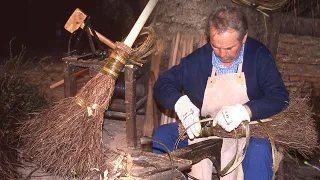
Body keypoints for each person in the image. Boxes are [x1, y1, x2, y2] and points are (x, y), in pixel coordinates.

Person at [152, 6, 289, 180]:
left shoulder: (258, 57)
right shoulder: (198, 61)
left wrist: (245, 111)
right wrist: (181, 104)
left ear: (244, 37)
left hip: (249, 131)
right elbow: (162, 85)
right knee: (162, 136)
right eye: (216, 47)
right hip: (208, 129)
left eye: (229, 48)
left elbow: (280, 97)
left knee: (260, 151)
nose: (222, 54)